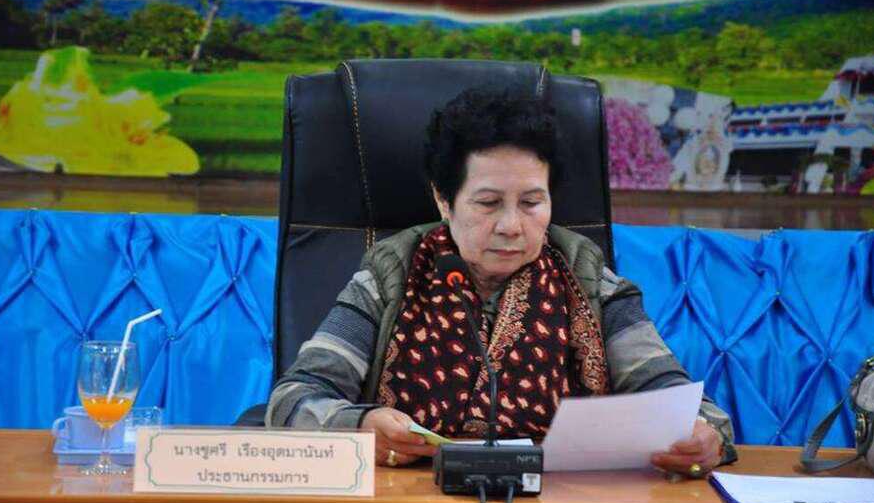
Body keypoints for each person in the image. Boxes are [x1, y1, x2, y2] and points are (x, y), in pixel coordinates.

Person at [266, 88, 737, 476]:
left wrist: (704, 436)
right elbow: (293, 400)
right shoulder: (388, 276)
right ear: (444, 200)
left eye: (532, 203)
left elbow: (686, 406)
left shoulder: (592, 283)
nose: (511, 226)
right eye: (488, 203)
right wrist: (360, 425)